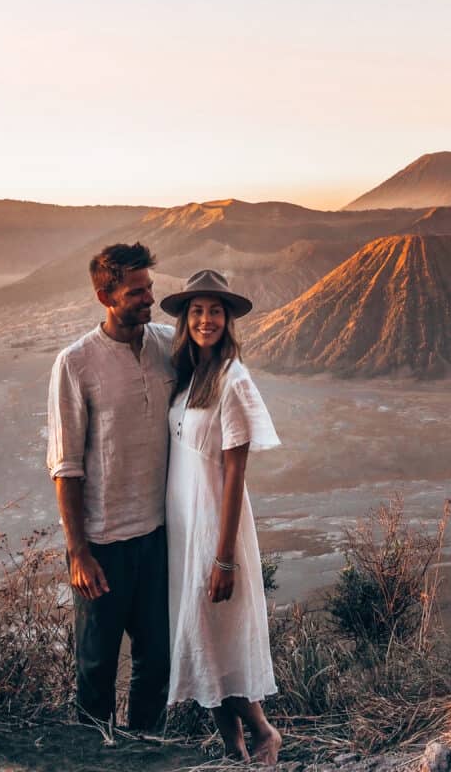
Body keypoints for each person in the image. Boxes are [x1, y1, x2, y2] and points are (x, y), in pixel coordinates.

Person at [47, 242, 174, 731]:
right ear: (106, 295)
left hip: (158, 537)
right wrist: (78, 551)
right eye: (137, 292)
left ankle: (143, 754)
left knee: (156, 663)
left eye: (150, 288)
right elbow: (66, 466)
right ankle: (93, 757)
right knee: (96, 669)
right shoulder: (76, 363)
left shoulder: (166, 344)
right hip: (103, 544)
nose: (149, 299)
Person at [160, 269, 282, 764]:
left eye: (214, 310)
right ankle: (232, 746)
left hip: (217, 529)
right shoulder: (188, 376)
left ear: (227, 319)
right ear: (185, 320)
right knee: (200, 635)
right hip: (184, 529)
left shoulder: (234, 379)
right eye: (196, 310)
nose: (205, 319)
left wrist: (225, 558)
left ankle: (262, 732)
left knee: (218, 636)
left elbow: (236, 473)